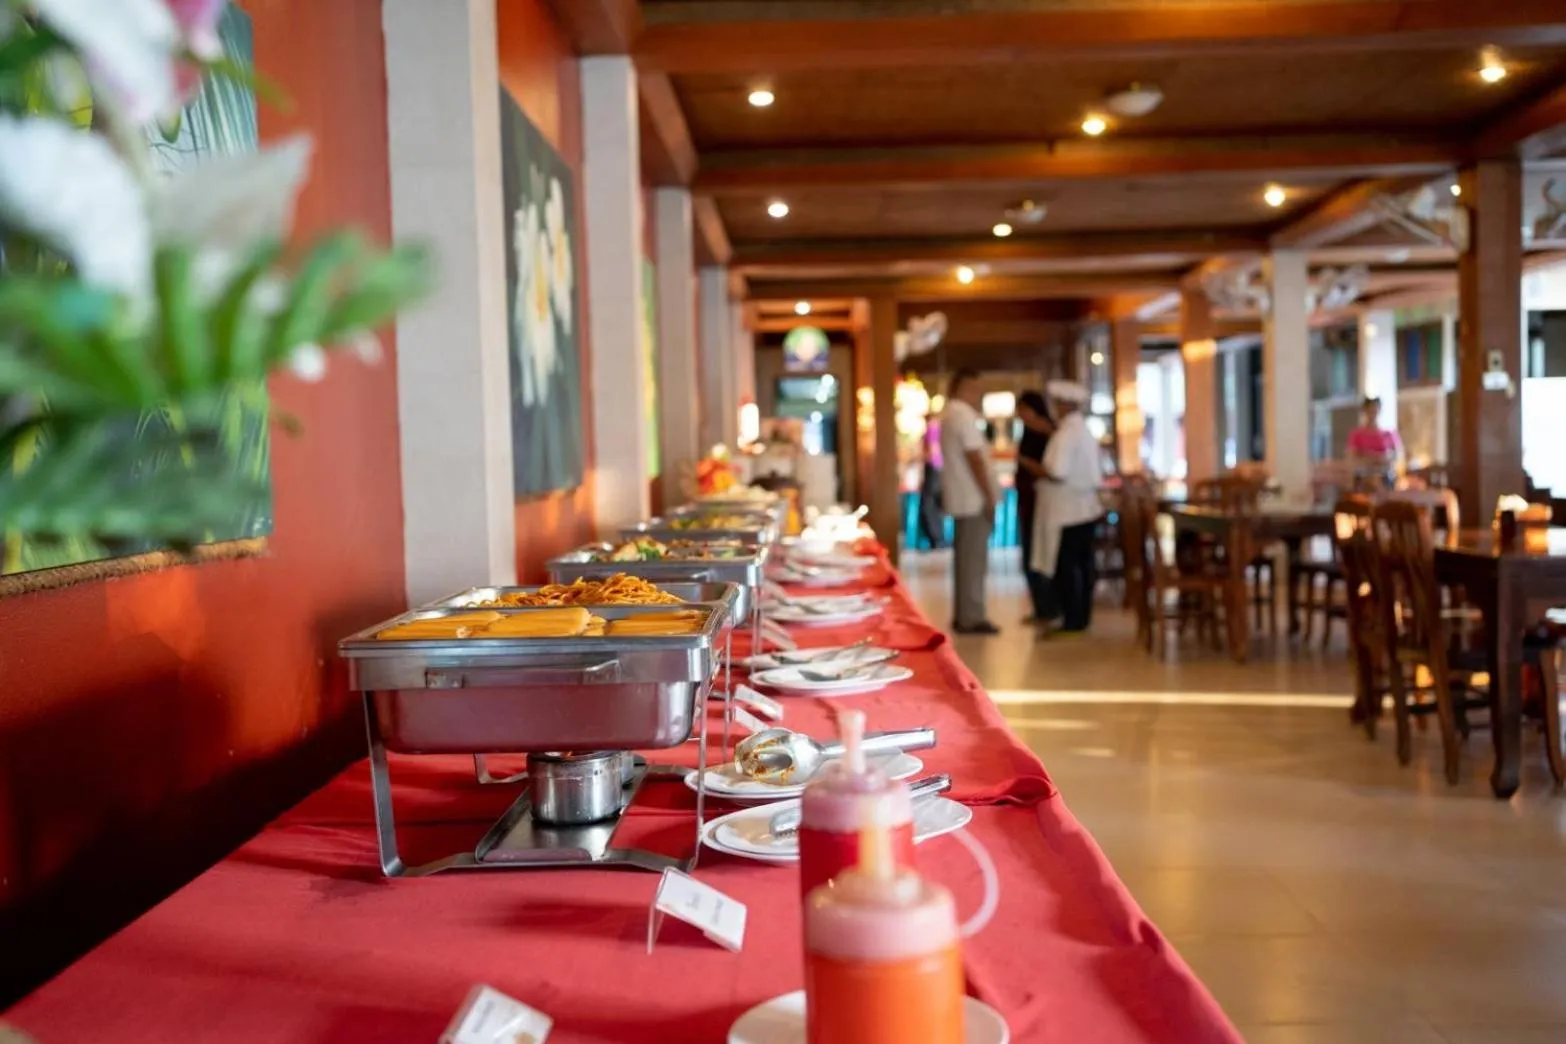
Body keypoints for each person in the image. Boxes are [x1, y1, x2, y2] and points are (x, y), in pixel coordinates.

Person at [1032, 380, 1104, 634]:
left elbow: (1057, 471)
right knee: (1083, 566)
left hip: (1068, 512)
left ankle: (1073, 619)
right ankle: (1081, 616)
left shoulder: (1066, 434)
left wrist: (1034, 468)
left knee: (1068, 566)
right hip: (1084, 510)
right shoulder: (1082, 430)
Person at [939, 369, 1000, 635]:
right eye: (974, 389)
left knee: (966, 559)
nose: (978, 395)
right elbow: (975, 457)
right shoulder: (962, 415)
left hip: (963, 497)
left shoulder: (950, 414)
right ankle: (971, 616)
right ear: (962, 388)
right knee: (974, 560)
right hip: (972, 497)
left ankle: (964, 613)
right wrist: (988, 495)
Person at [1013, 390, 1057, 624]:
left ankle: (1048, 607)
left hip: (1041, 501)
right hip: (1027, 499)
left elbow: (1050, 469)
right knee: (1029, 555)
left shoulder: (1048, 433)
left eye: (1023, 410)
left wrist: (1027, 463)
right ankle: (1040, 607)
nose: (1020, 415)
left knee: (1040, 553)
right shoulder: (1028, 432)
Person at [1346, 396, 1403, 489]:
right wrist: (1369, 459)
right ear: (1364, 411)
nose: (1373, 413)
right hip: (1363, 476)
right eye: (1370, 410)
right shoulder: (1356, 434)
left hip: (1385, 475)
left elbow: (1397, 455)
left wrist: (1384, 458)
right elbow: (1351, 456)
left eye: (1375, 410)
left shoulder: (1389, 434)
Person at [917, 413, 946, 550]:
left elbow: (931, 449)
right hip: (937, 470)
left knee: (928, 505)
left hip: (932, 469)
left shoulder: (932, 429)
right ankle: (937, 537)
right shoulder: (938, 429)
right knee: (933, 505)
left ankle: (936, 538)